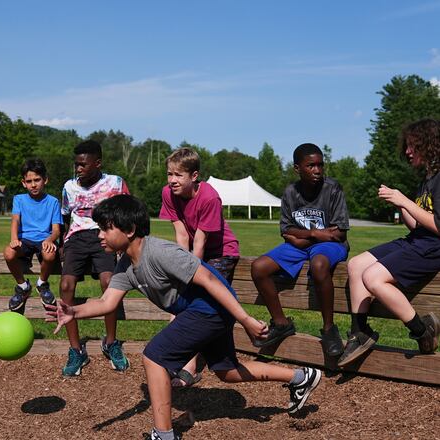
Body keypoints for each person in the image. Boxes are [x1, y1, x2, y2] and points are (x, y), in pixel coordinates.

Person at [46, 194, 322, 440]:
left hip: (209, 307)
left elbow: (212, 281)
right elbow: (107, 302)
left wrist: (245, 319)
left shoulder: (161, 252)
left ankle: (163, 434)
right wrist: (74, 311)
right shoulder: (125, 265)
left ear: (129, 230)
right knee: (227, 372)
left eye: (106, 228)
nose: (99, 235)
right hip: (203, 311)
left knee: (154, 356)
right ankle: (301, 376)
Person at [338, 119, 440, 367]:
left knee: (373, 278)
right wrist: (401, 205)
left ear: (428, 145)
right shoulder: (427, 179)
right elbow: (416, 225)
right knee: (355, 265)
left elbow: (438, 226)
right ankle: (359, 332)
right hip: (417, 240)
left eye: (412, 146)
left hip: (433, 248)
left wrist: (404, 201)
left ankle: (422, 331)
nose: (407, 152)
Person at [250, 143, 349, 357]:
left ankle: (329, 329)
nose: (317, 170)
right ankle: (281, 323)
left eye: (320, 165)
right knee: (259, 267)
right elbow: (286, 230)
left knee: (319, 265)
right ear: (297, 168)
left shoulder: (333, 188)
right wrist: (314, 234)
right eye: (311, 166)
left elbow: (339, 233)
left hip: (330, 245)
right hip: (301, 245)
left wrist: (304, 236)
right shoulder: (290, 192)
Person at [159, 147, 241, 386]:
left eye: (178, 175)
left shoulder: (209, 197)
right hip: (195, 249)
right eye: (169, 174)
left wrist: (191, 274)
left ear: (194, 176)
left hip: (221, 252)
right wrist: (180, 270)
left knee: (197, 300)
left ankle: (189, 366)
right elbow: (182, 234)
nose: (172, 180)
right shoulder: (168, 193)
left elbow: (201, 241)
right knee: (184, 297)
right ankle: (178, 358)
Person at [60, 139, 130, 376]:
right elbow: (65, 218)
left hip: (104, 235)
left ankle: (110, 342)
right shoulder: (69, 186)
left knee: (108, 282)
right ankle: (76, 350)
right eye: (76, 164)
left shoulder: (115, 183)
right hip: (77, 238)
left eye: (83, 164)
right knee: (65, 285)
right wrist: (60, 243)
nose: (78, 169)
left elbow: (127, 210)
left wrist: (123, 243)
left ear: (97, 163)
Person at [4, 159, 61, 311]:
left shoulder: (53, 202)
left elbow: (56, 230)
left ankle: (42, 284)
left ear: (45, 180)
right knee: (9, 253)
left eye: (37, 180)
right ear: (24, 183)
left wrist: (50, 240)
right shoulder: (19, 199)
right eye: (29, 181)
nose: (33, 184)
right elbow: (15, 219)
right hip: (25, 240)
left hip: (44, 240)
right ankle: (23, 286)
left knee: (49, 255)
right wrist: (14, 239)